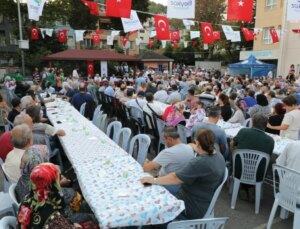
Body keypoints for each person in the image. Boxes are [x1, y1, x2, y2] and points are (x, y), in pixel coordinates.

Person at [140, 129, 226, 219]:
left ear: (198, 143)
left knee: (153, 192)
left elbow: (175, 178)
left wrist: (153, 180)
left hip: (190, 205)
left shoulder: (200, 162)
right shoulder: (219, 156)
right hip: (204, 201)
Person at [18, 163, 83, 229]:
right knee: (90, 217)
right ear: (54, 185)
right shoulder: (54, 217)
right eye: (58, 178)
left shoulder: (27, 199)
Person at [231, 113, 274, 200]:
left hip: (239, 170)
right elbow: (268, 157)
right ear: (266, 125)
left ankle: (244, 187)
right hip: (258, 175)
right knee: (266, 163)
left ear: (253, 122)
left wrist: (233, 155)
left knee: (237, 154)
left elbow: (232, 143)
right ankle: (251, 187)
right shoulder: (270, 140)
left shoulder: (244, 131)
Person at [143, 127, 194, 194]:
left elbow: (146, 168)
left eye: (164, 140)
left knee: (140, 184)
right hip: (183, 184)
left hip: (167, 184)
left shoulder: (168, 152)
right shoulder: (189, 148)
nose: (164, 142)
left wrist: (146, 162)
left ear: (170, 139)